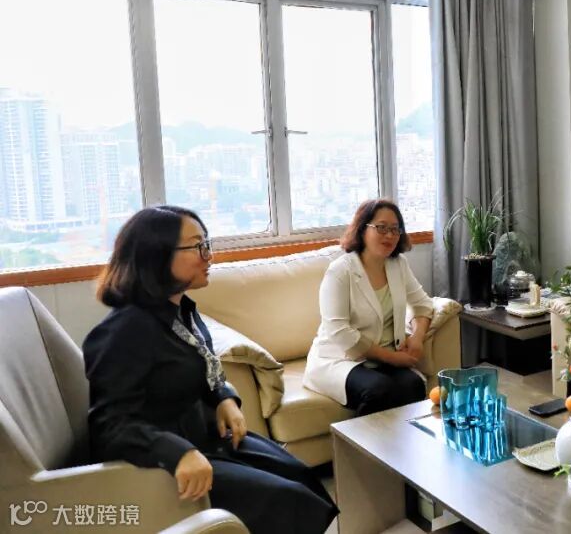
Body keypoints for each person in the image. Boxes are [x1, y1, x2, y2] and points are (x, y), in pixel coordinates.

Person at [85, 206, 337, 534]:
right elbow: (109, 427)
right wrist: (179, 453)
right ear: (156, 255)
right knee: (289, 501)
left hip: (204, 437)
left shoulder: (180, 309)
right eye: (197, 246)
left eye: (207, 244)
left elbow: (204, 364)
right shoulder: (126, 329)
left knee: (304, 478)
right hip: (162, 462)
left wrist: (223, 397)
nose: (209, 256)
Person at [304, 198, 434, 415]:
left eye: (395, 229)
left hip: (382, 360)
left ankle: (400, 438)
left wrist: (417, 337)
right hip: (340, 359)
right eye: (381, 228)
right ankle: (356, 439)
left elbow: (423, 304)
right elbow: (339, 331)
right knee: (378, 390)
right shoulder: (340, 271)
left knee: (414, 385)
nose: (389, 235)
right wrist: (392, 358)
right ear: (362, 229)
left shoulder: (398, 265)